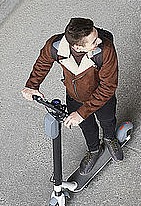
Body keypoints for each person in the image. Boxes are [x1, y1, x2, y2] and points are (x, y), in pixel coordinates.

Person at [22, 17, 123, 175]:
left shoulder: (105, 50)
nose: (99, 42)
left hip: (103, 97)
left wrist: (82, 113)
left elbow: (108, 87)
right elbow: (43, 62)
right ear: (77, 46)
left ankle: (110, 138)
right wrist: (31, 86)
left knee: (107, 119)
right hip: (74, 97)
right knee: (87, 127)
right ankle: (94, 150)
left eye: (97, 36)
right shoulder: (55, 46)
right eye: (94, 41)